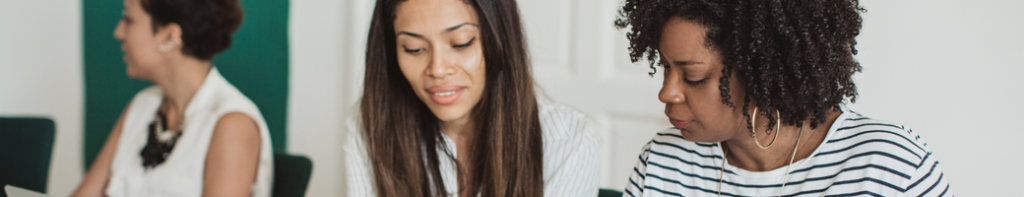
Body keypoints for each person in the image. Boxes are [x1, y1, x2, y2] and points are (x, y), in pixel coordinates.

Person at [614, 0, 952, 196]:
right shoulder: (662, 161)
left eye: (693, 77)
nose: (666, 93)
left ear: (760, 70)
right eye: (665, 67)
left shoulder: (890, 168)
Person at [342, 0, 600, 196]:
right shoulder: (370, 128)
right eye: (414, 49)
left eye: (461, 43)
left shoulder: (569, 141)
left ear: (501, 39)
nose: (438, 69)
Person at [71, 0, 273, 196]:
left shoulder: (233, 123)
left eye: (129, 20)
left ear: (170, 36)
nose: (118, 32)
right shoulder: (142, 105)